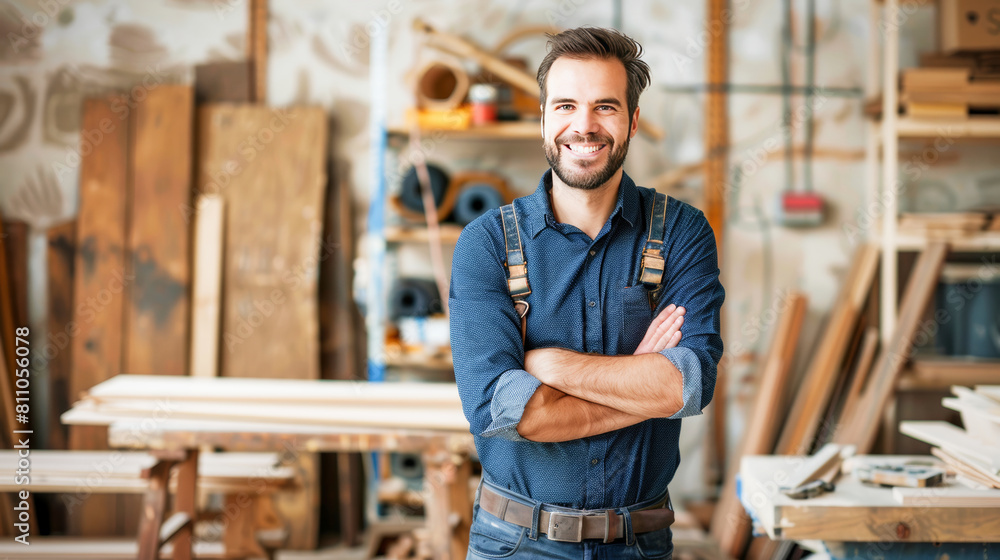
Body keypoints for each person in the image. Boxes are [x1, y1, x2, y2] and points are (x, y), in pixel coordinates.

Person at [449, 26, 725, 560]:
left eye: (605, 107)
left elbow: (688, 384)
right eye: (566, 106)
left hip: (640, 544)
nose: (584, 125)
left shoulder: (683, 232)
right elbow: (507, 413)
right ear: (545, 118)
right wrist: (643, 387)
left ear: (633, 121)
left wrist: (551, 367)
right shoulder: (485, 244)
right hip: (515, 544)